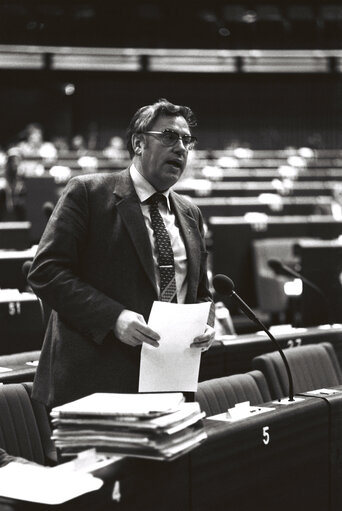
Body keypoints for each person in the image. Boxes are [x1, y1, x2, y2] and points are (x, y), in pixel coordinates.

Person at [28, 98, 215, 409]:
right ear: (139, 143)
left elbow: (201, 293)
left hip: (170, 384)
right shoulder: (88, 193)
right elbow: (45, 272)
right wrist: (113, 317)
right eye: (169, 136)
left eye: (187, 140)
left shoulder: (190, 213)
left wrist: (205, 325)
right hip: (95, 385)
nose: (181, 148)